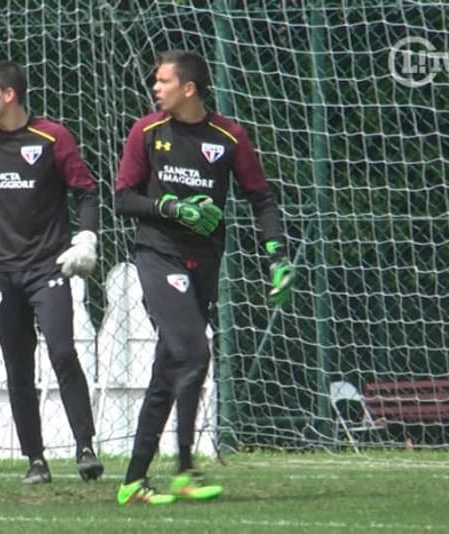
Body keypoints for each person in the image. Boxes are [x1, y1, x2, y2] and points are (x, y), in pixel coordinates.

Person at [113, 50, 294, 505]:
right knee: (195, 351)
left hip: (205, 260)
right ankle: (186, 470)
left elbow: (261, 198)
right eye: (155, 82)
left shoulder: (228, 135)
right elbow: (123, 198)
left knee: (172, 365)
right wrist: (170, 207)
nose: (156, 88)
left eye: (164, 81)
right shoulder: (147, 131)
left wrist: (277, 255)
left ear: (189, 88)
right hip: (158, 256)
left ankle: (133, 482)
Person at [0, 61, 104, 484]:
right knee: (17, 365)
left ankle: (85, 447)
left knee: (63, 353)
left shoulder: (53, 137)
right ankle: (36, 460)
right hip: (0, 271)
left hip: (47, 265)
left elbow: (86, 193)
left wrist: (86, 239)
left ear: (9, 95)